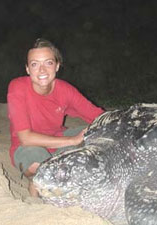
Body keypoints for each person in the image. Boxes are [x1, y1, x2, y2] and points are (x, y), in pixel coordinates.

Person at [7, 38, 104, 197]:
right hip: (27, 147)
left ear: (57, 66)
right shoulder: (17, 87)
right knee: (40, 167)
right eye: (35, 64)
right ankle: (37, 185)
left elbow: (98, 116)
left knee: (100, 135)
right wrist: (73, 141)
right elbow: (25, 138)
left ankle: (58, 173)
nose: (42, 70)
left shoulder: (65, 90)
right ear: (27, 69)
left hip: (58, 141)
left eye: (48, 63)